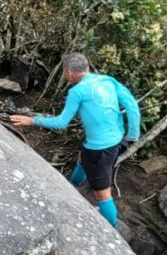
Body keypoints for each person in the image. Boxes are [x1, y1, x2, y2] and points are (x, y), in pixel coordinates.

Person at [9, 53, 140, 227]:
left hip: (100, 149)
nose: (65, 76)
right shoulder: (108, 81)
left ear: (70, 73)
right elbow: (132, 106)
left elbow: (61, 123)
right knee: (82, 158)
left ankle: (112, 232)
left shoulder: (77, 92)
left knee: (102, 194)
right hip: (117, 141)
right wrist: (132, 136)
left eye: (64, 73)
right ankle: (72, 187)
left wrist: (32, 120)